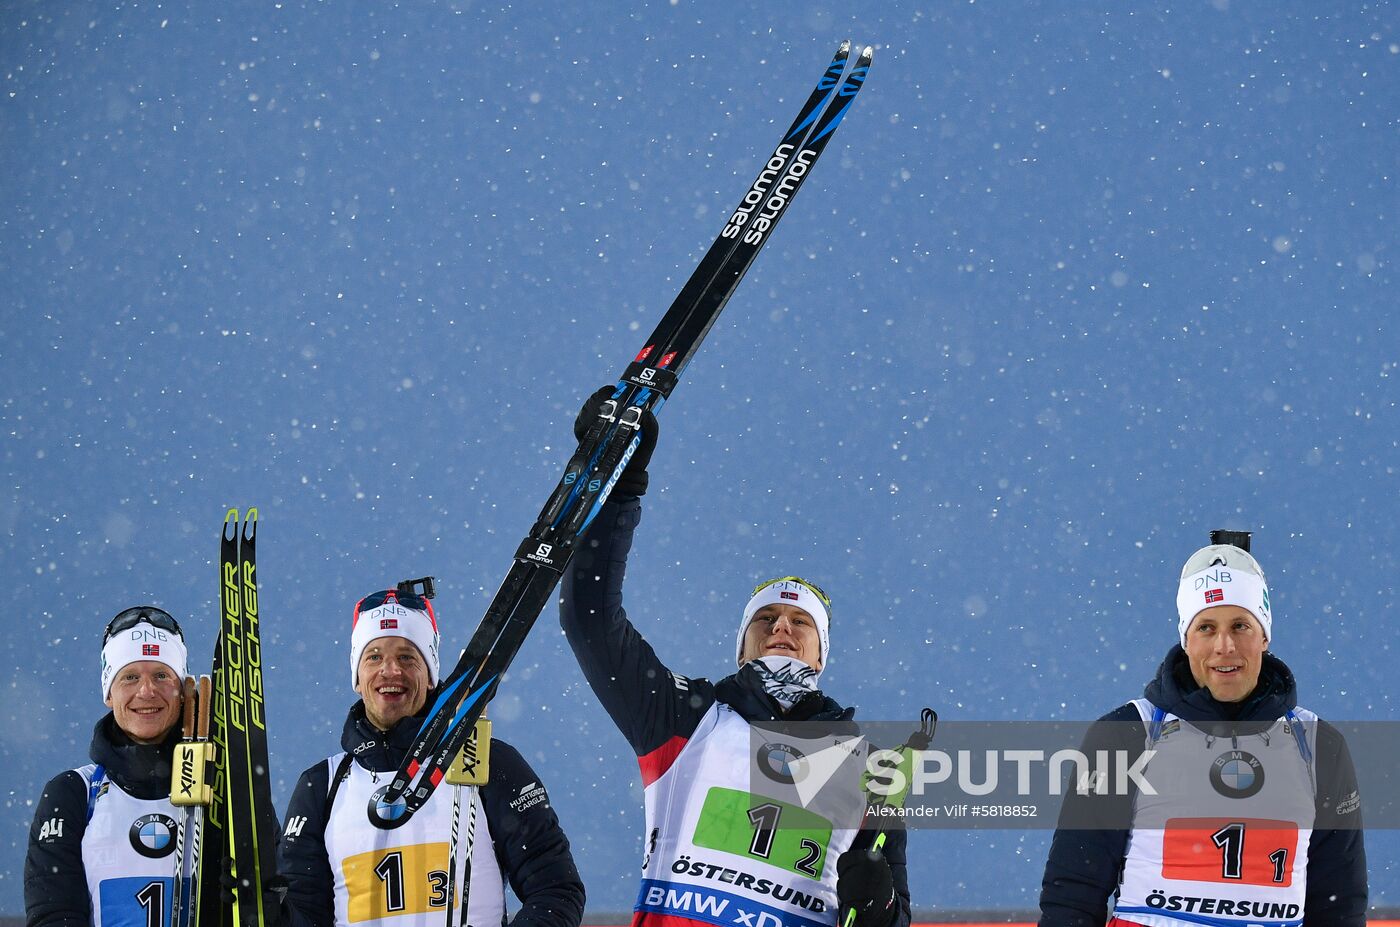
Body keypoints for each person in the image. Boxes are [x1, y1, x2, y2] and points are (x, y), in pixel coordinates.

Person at [560, 392, 912, 927]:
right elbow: (590, 620)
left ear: (821, 654)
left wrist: (876, 907)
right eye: (764, 619)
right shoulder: (685, 717)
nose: (781, 628)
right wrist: (615, 487)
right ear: (741, 647)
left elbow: (892, 919)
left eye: (800, 623)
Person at [1039, 535, 1367, 927]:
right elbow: (1073, 893)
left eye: (1241, 626)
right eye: (1206, 628)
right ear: (1186, 640)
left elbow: (1339, 904)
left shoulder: (1318, 745)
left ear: (1264, 636)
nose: (1224, 646)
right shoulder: (1126, 735)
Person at [276, 585, 585, 927]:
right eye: (373, 656)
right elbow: (304, 914)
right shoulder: (322, 786)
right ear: (358, 677)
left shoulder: (483, 760)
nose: (390, 671)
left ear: (430, 674)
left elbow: (555, 889)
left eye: (407, 657)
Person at [25, 606, 191, 927]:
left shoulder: (226, 787)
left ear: (183, 691)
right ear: (109, 693)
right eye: (130, 677)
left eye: (161, 675)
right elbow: (54, 915)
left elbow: (281, 908)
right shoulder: (74, 793)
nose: (146, 691)